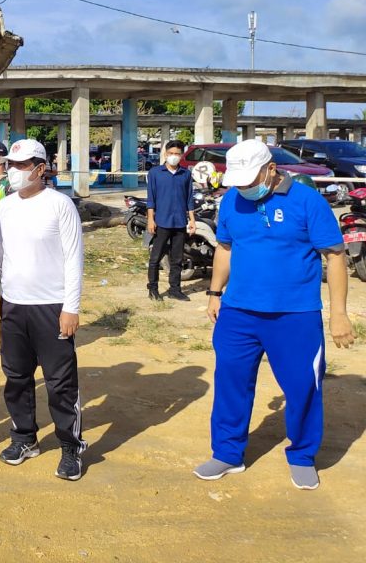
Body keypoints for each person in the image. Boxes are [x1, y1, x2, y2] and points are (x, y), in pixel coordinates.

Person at [195, 139, 355, 490]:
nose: (244, 188)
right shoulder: (231, 200)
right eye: (238, 181)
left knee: (302, 388)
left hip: (294, 316)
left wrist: (338, 314)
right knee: (230, 384)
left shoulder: (307, 201)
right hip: (238, 313)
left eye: (250, 180)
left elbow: (336, 256)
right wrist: (214, 293)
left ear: (271, 169)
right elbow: (224, 248)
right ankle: (227, 453)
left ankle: (301, 455)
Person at [0, 139, 86, 481]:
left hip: (52, 306)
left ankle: (71, 447)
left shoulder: (60, 205)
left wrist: (70, 308)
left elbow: (74, 258)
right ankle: (24, 438)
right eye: (11, 164)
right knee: (16, 377)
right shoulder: (6, 208)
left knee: (59, 382)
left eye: (22, 165)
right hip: (13, 305)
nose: (14, 171)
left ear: (41, 168)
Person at [146, 139, 196, 302]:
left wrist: (192, 220)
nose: (174, 156)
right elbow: (151, 199)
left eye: (177, 154)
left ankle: (175, 289)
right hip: (161, 222)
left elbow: (189, 199)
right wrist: (150, 220)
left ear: (181, 155)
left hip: (180, 222)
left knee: (177, 259)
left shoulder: (186, 174)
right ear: (166, 154)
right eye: (171, 153)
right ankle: (153, 289)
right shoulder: (155, 173)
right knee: (155, 258)